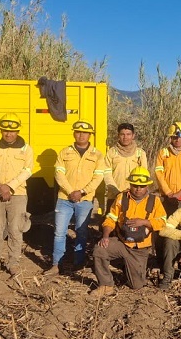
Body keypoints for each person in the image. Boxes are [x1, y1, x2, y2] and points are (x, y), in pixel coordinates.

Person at [93, 167, 167, 296]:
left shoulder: (154, 201)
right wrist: (105, 236)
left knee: (136, 285)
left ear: (147, 186)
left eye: (142, 186)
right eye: (135, 185)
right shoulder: (121, 198)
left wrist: (144, 222)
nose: (138, 189)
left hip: (140, 248)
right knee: (100, 249)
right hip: (122, 243)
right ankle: (106, 285)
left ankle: (132, 268)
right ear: (130, 184)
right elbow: (111, 218)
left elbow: (162, 222)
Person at [0, 113, 34, 279]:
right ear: (1, 130)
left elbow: (27, 170)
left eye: (12, 131)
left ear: (17, 131)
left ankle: (13, 264)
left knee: (15, 230)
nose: (8, 134)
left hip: (17, 195)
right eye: (5, 130)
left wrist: (9, 187)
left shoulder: (26, 149)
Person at [49, 120, 105, 273]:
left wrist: (82, 192)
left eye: (85, 133)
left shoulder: (97, 155)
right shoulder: (64, 152)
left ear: (90, 135)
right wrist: (70, 191)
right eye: (78, 132)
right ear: (74, 133)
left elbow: (98, 178)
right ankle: (56, 264)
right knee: (59, 232)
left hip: (85, 200)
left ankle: (78, 263)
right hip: (64, 199)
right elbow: (58, 174)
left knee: (81, 232)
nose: (81, 135)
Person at [103, 123, 148, 210]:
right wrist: (116, 191)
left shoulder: (140, 153)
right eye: (122, 134)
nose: (125, 137)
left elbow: (144, 175)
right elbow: (106, 174)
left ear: (133, 136)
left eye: (128, 134)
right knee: (110, 222)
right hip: (114, 196)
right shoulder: (111, 152)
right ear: (118, 135)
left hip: (134, 196)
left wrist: (134, 191)